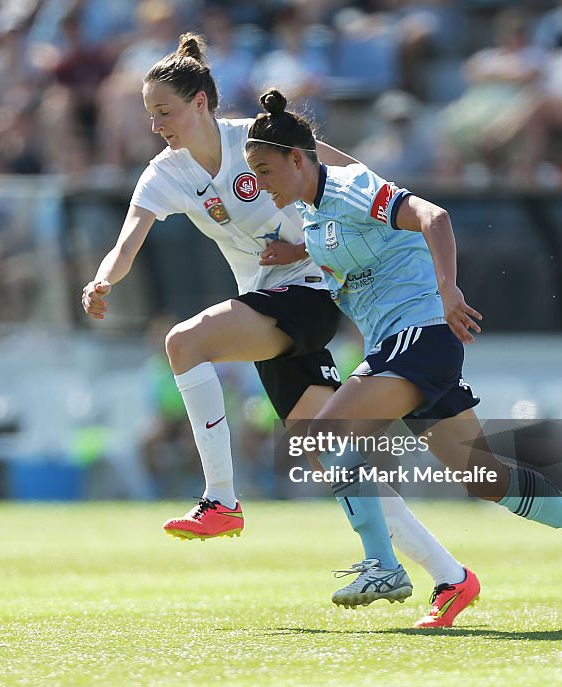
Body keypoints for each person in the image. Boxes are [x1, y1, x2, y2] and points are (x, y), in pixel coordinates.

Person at [82, 33, 479, 628]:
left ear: (200, 103)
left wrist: (365, 224)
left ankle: (221, 498)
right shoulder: (164, 174)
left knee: (184, 342)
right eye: (150, 115)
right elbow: (127, 239)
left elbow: (343, 171)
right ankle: (451, 577)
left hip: (314, 290)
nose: (157, 124)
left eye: (164, 111)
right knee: (329, 453)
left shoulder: (257, 139)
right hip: (266, 302)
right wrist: (102, 281)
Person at [243, 88, 562, 618]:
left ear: (297, 159)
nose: (260, 186)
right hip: (406, 347)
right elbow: (349, 246)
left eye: (265, 171)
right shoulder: (314, 215)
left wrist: (448, 289)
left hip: (421, 337)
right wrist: (295, 250)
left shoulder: (353, 188)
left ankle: (383, 564)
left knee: (323, 436)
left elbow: (435, 217)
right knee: (485, 478)